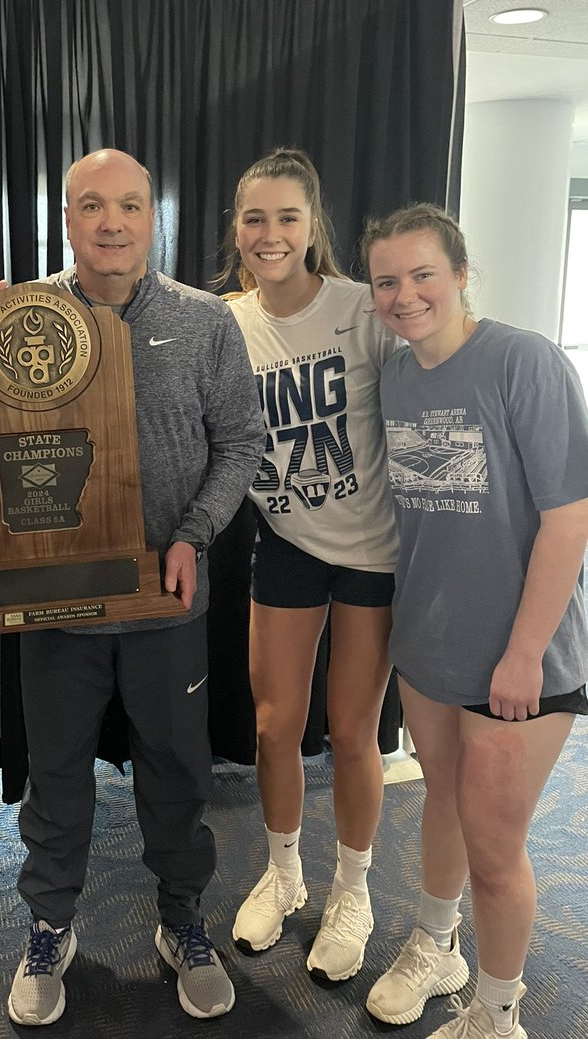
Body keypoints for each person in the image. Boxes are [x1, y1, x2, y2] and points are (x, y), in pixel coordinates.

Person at [0, 148, 264, 1026]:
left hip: (167, 600)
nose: (112, 222)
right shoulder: (21, 319)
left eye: (129, 205)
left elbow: (241, 441)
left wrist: (195, 534)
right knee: (54, 778)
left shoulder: (204, 322)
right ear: (68, 219)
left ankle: (182, 921)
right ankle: (51, 926)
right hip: (56, 602)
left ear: (153, 217)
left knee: (178, 772)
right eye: (92, 205)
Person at [360, 203, 588, 1038]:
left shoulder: (523, 360)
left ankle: (497, 1015)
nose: (405, 295)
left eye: (423, 274)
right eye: (387, 281)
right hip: (430, 645)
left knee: (495, 850)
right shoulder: (396, 376)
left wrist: (525, 654)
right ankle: (437, 944)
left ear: (461, 274)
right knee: (443, 804)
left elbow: (570, 517)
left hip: (518, 658)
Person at [219, 148, 400, 981]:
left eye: (287, 217)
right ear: (237, 229)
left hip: (371, 553)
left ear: (313, 224)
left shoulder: (361, 309)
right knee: (272, 727)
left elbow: (437, 373)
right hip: (288, 542)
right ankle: (285, 873)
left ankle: (353, 890)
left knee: (354, 731)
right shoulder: (224, 321)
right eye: (255, 218)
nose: (271, 233)